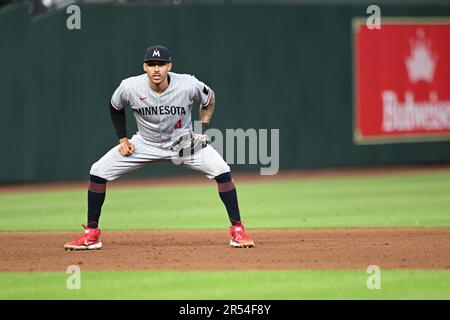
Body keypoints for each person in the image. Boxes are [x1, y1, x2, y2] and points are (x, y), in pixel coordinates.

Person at [64, 45, 255, 250]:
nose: (156, 69)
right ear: (144, 67)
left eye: (161, 65)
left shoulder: (188, 84)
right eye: (152, 64)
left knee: (222, 170)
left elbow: (209, 99)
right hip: (144, 143)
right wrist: (122, 138)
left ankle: (237, 230)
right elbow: (115, 106)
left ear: (169, 66)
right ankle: (91, 235)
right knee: (98, 171)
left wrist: (201, 129)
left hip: (183, 143)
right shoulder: (130, 87)